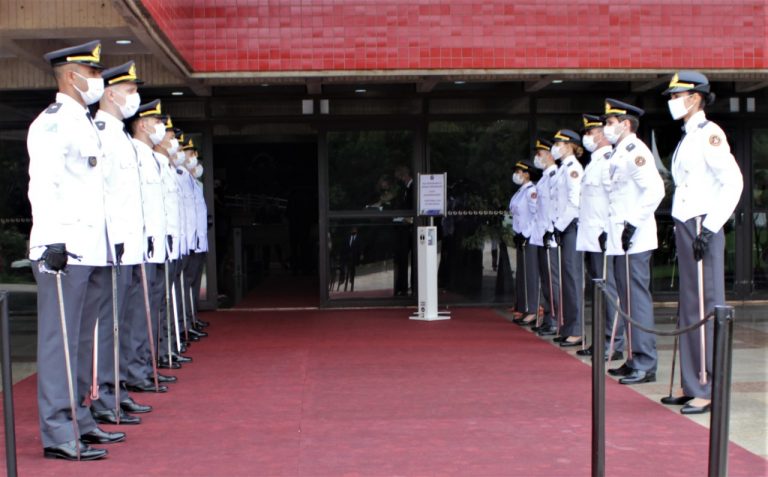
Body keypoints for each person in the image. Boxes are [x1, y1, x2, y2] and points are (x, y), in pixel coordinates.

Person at [28, 39, 124, 461]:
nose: (98, 81)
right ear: (71, 76)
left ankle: (81, 418)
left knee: (84, 342)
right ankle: (57, 431)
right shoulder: (52, 123)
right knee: (60, 344)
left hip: (91, 250)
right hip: (64, 252)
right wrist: (52, 242)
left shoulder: (83, 123)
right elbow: (44, 185)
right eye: (93, 73)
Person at [661, 71, 743, 413]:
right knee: (689, 305)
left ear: (695, 97)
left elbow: (733, 182)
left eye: (676, 95)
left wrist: (709, 227)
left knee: (704, 306)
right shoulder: (688, 135)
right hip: (687, 223)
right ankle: (692, 381)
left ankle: (706, 386)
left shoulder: (710, 133)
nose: (671, 101)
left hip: (700, 224)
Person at [89, 60, 152, 425]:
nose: (134, 98)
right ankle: (103, 395)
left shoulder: (121, 137)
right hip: (110, 247)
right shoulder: (99, 132)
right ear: (110, 94)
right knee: (107, 328)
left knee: (122, 324)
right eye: (130, 91)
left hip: (127, 247)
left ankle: (116, 389)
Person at [602, 98, 665, 385]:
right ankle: (633, 357)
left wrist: (632, 224)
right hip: (621, 240)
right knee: (626, 300)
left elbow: (655, 190)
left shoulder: (635, 151)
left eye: (610, 122)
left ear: (626, 124)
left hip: (634, 240)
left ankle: (645, 362)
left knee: (637, 301)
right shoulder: (619, 153)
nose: (607, 127)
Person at [128, 99, 172, 392]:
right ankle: (136, 371)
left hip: (154, 245)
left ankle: (146, 366)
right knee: (137, 315)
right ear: (143, 125)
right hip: (139, 246)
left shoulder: (152, 157)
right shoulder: (133, 152)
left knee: (149, 311)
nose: (161, 129)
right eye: (157, 123)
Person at [576, 114, 623, 361]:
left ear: (603, 135)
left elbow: (614, 197)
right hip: (591, 236)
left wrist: (607, 228)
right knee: (598, 291)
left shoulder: (607, 161)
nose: (587, 137)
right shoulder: (594, 162)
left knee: (608, 290)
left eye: (591, 132)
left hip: (603, 235)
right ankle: (601, 340)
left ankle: (613, 342)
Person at [550, 129, 585, 347]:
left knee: (573, 278)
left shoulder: (573, 168)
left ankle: (577, 328)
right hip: (564, 227)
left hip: (571, 226)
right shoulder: (563, 168)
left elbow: (574, 202)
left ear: (570, 145)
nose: (556, 147)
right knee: (566, 278)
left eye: (559, 143)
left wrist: (559, 225)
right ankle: (569, 326)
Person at [529, 138, 559, 336]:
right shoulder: (544, 178)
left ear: (549, 155)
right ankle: (549, 317)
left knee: (553, 281)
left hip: (551, 236)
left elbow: (556, 206)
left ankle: (555, 320)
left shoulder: (555, 176)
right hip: (542, 235)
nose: (536, 157)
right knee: (546, 282)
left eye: (539, 154)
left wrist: (551, 229)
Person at [509, 160, 540, 326]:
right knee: (522, 274)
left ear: (527, 174)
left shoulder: (531, 191)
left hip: (530, 237)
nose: (516, 174)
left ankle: (532, 310)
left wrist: (526, 234)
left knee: (530, 274)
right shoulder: (520, 192)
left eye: (519, 171)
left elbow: (536, 214)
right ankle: (523, 307)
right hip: (521, 236)